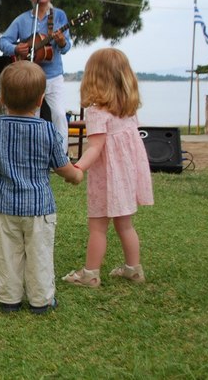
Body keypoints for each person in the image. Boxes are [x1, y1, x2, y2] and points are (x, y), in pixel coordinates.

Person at [0, 60, 82, 314]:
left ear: (2, 99)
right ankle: (41, 300)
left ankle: (9, 298)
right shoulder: (48, 130)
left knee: (7, 253)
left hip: (4, 207)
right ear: (41, 100)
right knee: (39, 253)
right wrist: (75, 175)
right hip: (40, 209)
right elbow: (62, 166)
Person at [62, 48, 154, 287]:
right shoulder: (128, 110)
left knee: (98, 228)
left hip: (106, 179)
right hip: (127, 177)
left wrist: (78, 168)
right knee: (125, 225)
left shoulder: (96, 112)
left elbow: (95, 147)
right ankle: (134, 270)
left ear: (93, 78)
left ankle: (90, 274)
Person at [0, 0, 72, 154]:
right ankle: (31, 154)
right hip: (30, 76)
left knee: (59, 114)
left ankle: (61, 156)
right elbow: (3, 41)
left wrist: (61, 42)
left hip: (53, 75)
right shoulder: (22, 19)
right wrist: (16, 48)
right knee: (32, 115)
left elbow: (66, 47)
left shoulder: (59, 16)